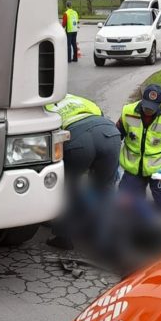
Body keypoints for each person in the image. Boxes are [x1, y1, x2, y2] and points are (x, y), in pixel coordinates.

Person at [44, 93, 121, 250]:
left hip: (77, 138)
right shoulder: (80, 100)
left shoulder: (45, 105)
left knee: (67, 188)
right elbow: (99, 118)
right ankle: (102, 239)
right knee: (105, 190)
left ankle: (63, 236)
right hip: (110, 133)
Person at [115, 83, 161, 213]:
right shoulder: (128, 112)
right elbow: (115, 138)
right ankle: (137, 196)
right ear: (142, 100)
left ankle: (151, 199)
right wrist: (113, 165)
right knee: (124, 206)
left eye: (152, 108)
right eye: (146, 106)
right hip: (134, 170)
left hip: (159, 171)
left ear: (160, 105)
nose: (148, 110)